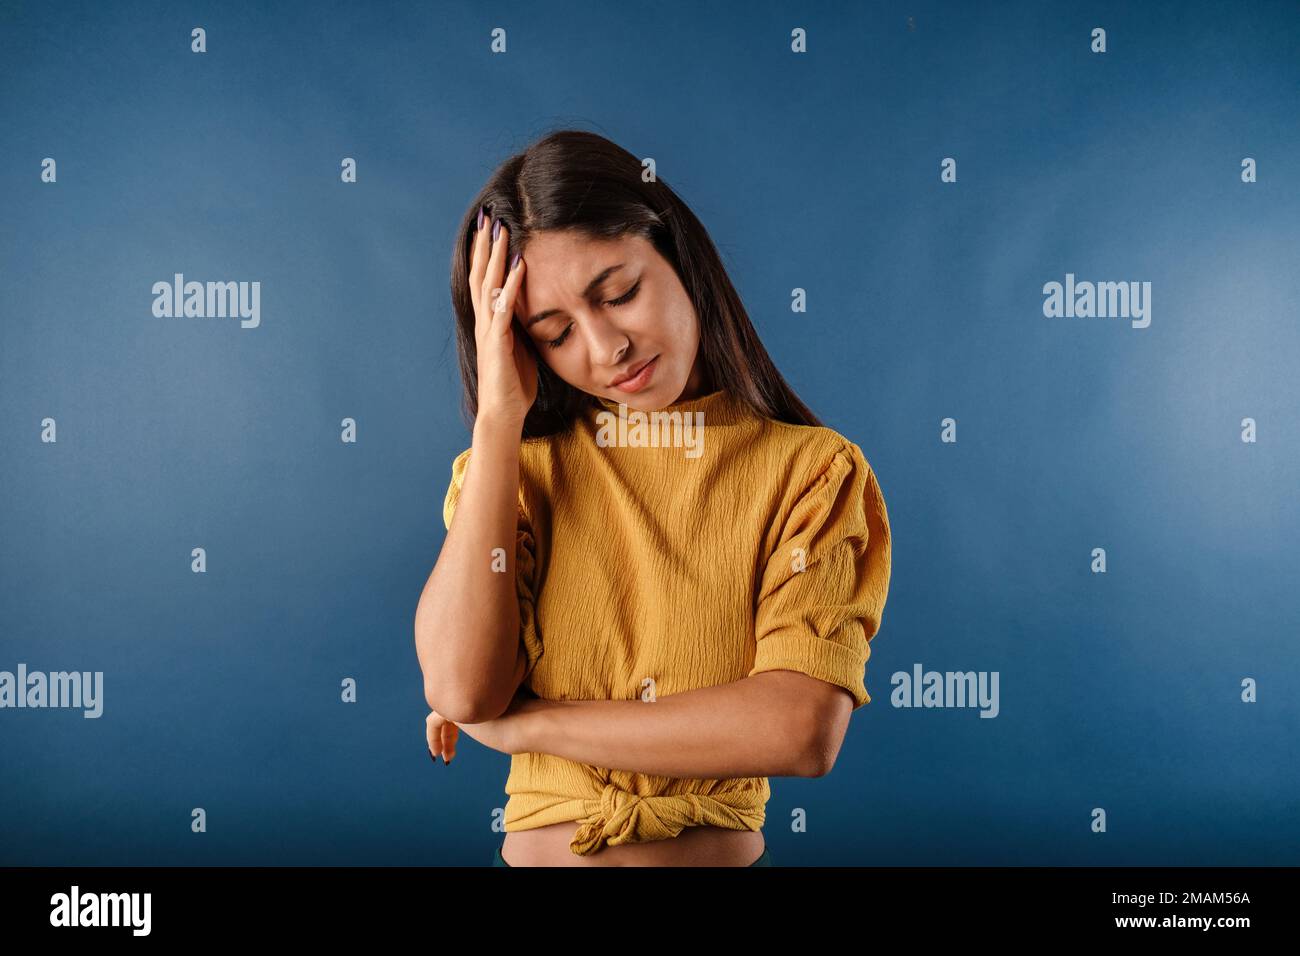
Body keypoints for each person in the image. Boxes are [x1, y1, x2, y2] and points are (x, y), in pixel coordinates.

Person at [413, 129, 892, 867]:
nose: (607, 348)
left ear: (678, 256)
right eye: (556, 331)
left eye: (620, 293)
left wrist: (529, 727)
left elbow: (799, 728)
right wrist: (498, 420)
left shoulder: (812, 472)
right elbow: (460, 688)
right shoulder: (512, 474)